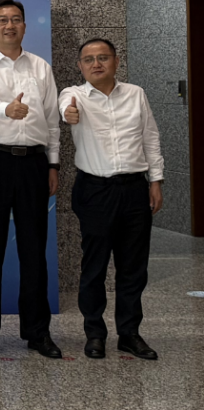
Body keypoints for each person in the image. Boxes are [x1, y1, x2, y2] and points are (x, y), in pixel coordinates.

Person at [0, 0, 62, 358]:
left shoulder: (40, 67)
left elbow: (52, 120)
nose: (9, 25)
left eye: (16, 19)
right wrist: (6, 108)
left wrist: (53, 165)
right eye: (2, 20)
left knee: (34, 250)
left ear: (24, 25)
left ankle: (37, 332)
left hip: (34, 163)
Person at [60, 38, 163, 360]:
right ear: (80, 66)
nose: (96, 64)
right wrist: (69, 113)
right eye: (89, 59)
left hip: (134, 188)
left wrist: (156, 181)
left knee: (133, 267)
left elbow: (150, 137)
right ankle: (94, 333)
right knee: (94, 266)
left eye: (103, 57)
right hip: (95, 190)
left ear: (116, 61)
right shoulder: (73, 94)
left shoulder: (135, 94)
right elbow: (65, 109)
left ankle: (129, 333)